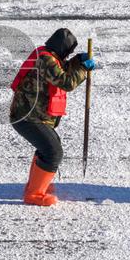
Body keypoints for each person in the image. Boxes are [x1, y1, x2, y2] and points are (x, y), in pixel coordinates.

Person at [9, 28, 95, 206]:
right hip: (28, 117)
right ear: (62, 48)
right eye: (69, 51)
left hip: (33, 116)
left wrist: (78, 61)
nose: (68, 55)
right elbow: (65, 81)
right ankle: (34, 194)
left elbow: (61, 68)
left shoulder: (47, 55)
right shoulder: (45, 59)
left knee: (47, 148)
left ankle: (35, 187)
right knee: (52, 152)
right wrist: (82, 70)